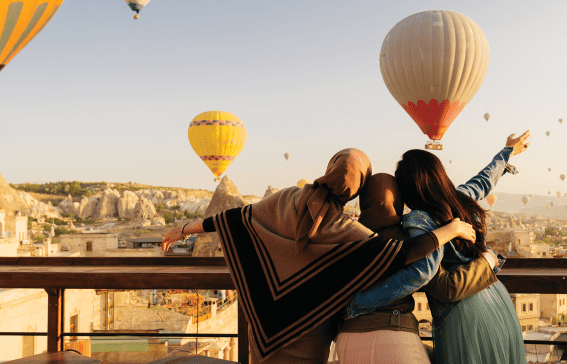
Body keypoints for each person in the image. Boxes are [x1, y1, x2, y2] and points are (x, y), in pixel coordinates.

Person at [161, 148, 477, 364]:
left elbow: (234, 219)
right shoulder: (345, 230)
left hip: (262, 329)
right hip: (310, 336)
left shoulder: (286, 197)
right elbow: (406, 254)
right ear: (358, 188)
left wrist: (185, 229)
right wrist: (452, 230)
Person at [345, 131, 532, 364]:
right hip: (496, 300)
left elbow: (422, 272)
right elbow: (484, 180)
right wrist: (508, 152)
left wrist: (359, 303)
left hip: (464, 314)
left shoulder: (420, 219)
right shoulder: (459, 198)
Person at [335, 173, 502, 364]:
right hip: (393, 331)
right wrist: (452, 232)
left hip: (346, 337)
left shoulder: (345, 236)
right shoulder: (407, 237)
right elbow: (422, 273)